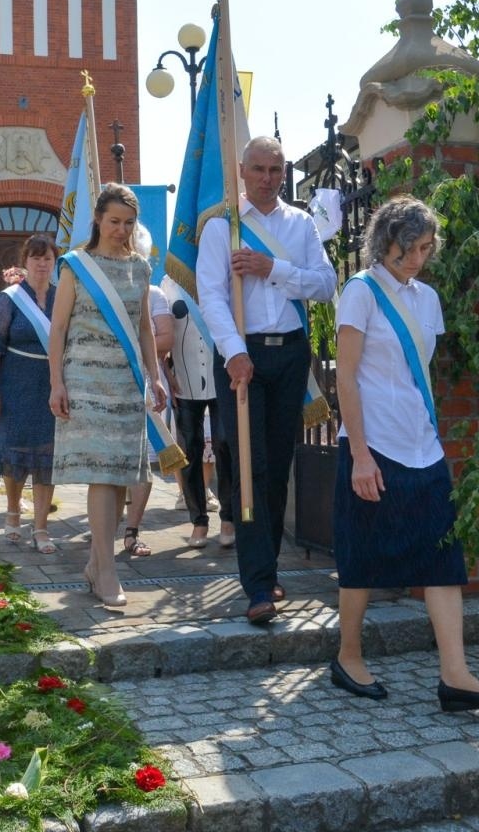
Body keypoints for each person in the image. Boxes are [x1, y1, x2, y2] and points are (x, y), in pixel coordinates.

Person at [330, 195, 479, 712]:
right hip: (373, 443)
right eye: (409, 248)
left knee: (443, 558)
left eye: (427, 249)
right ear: (385, 242)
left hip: (421, 445)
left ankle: (454, 675)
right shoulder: (360, 292)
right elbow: (345, 376)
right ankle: (348, 657)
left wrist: (429, 432)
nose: (417, 259)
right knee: (362, 555)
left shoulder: (427, 299)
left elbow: (421, 373)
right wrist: (361, 457)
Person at [197, 136, 336, 625]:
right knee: (251, 467)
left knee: (278, 469)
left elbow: (326, 283)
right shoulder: (221, 228)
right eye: (257, 169)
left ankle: (268, 566)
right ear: (241, 170)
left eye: (275, 170)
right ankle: (256, 586)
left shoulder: (299, 225)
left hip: (292, 353)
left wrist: (271, 268)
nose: (266, 178)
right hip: (243, 355)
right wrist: (234, 353)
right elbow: (211, 296)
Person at [49, 184, 166, 608]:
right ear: (97, 219)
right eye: (114, 221)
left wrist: (155, 378)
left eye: (129, 223)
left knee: (120, 477)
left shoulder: (141, 267)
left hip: (126, 381)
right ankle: (108, 570)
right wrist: (55, 383)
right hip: (83, 379)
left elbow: (145, 329)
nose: (121, 229)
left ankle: (97, 564)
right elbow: (58, 328)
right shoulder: (75, 266)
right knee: (102, 472)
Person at [0, 235, 59, 553]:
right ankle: (13, 511)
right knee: (12, 454)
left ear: (55, 263)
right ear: (25, 262)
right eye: (36, 258)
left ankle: (41, 528)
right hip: (14, 385)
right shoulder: (9, 298)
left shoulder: (62, 297)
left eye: (48, 258)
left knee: (48, 458)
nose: (42, 264)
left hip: (51, 387)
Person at [164, 273, 236, 550]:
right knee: (190, 450)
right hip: (185, 379)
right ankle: (198, 520)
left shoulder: (222, 274)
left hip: (222, 377)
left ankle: (228, 517)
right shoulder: (169, 283)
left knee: (225, 443)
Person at [119, 227, 174, 558]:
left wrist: (145, 357)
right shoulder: (102, 291)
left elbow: (165, 338)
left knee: (143, 464)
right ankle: (104, 527)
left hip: (145, 381)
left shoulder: (154, 294)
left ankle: (131, 530)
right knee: (112, 464)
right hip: (109, 382)